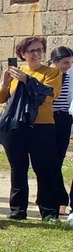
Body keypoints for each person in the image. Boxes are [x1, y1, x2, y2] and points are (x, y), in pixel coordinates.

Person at [0, 36, 64, 220]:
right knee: (18, 168)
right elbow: (0, 98)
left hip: (42, 126)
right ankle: (17, 210)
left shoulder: (51, 73)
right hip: (17, 126)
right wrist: (5, 83)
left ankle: (48, 211)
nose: (37, 54)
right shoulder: (17, 71)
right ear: (23, 54)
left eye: (40, 50)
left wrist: (26, 79)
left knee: (45, 169)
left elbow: (49, 95)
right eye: (32, 51)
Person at [50, 46, 73, 208]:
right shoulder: (48, 75)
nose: (68, 66)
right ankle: (58, 198)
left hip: (64, 119)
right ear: (55, 61)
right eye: (65, 62)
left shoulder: (69, 77)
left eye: (71, 62)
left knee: (58, 159)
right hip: (48, 119)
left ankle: (59, 200)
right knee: (48, 160)